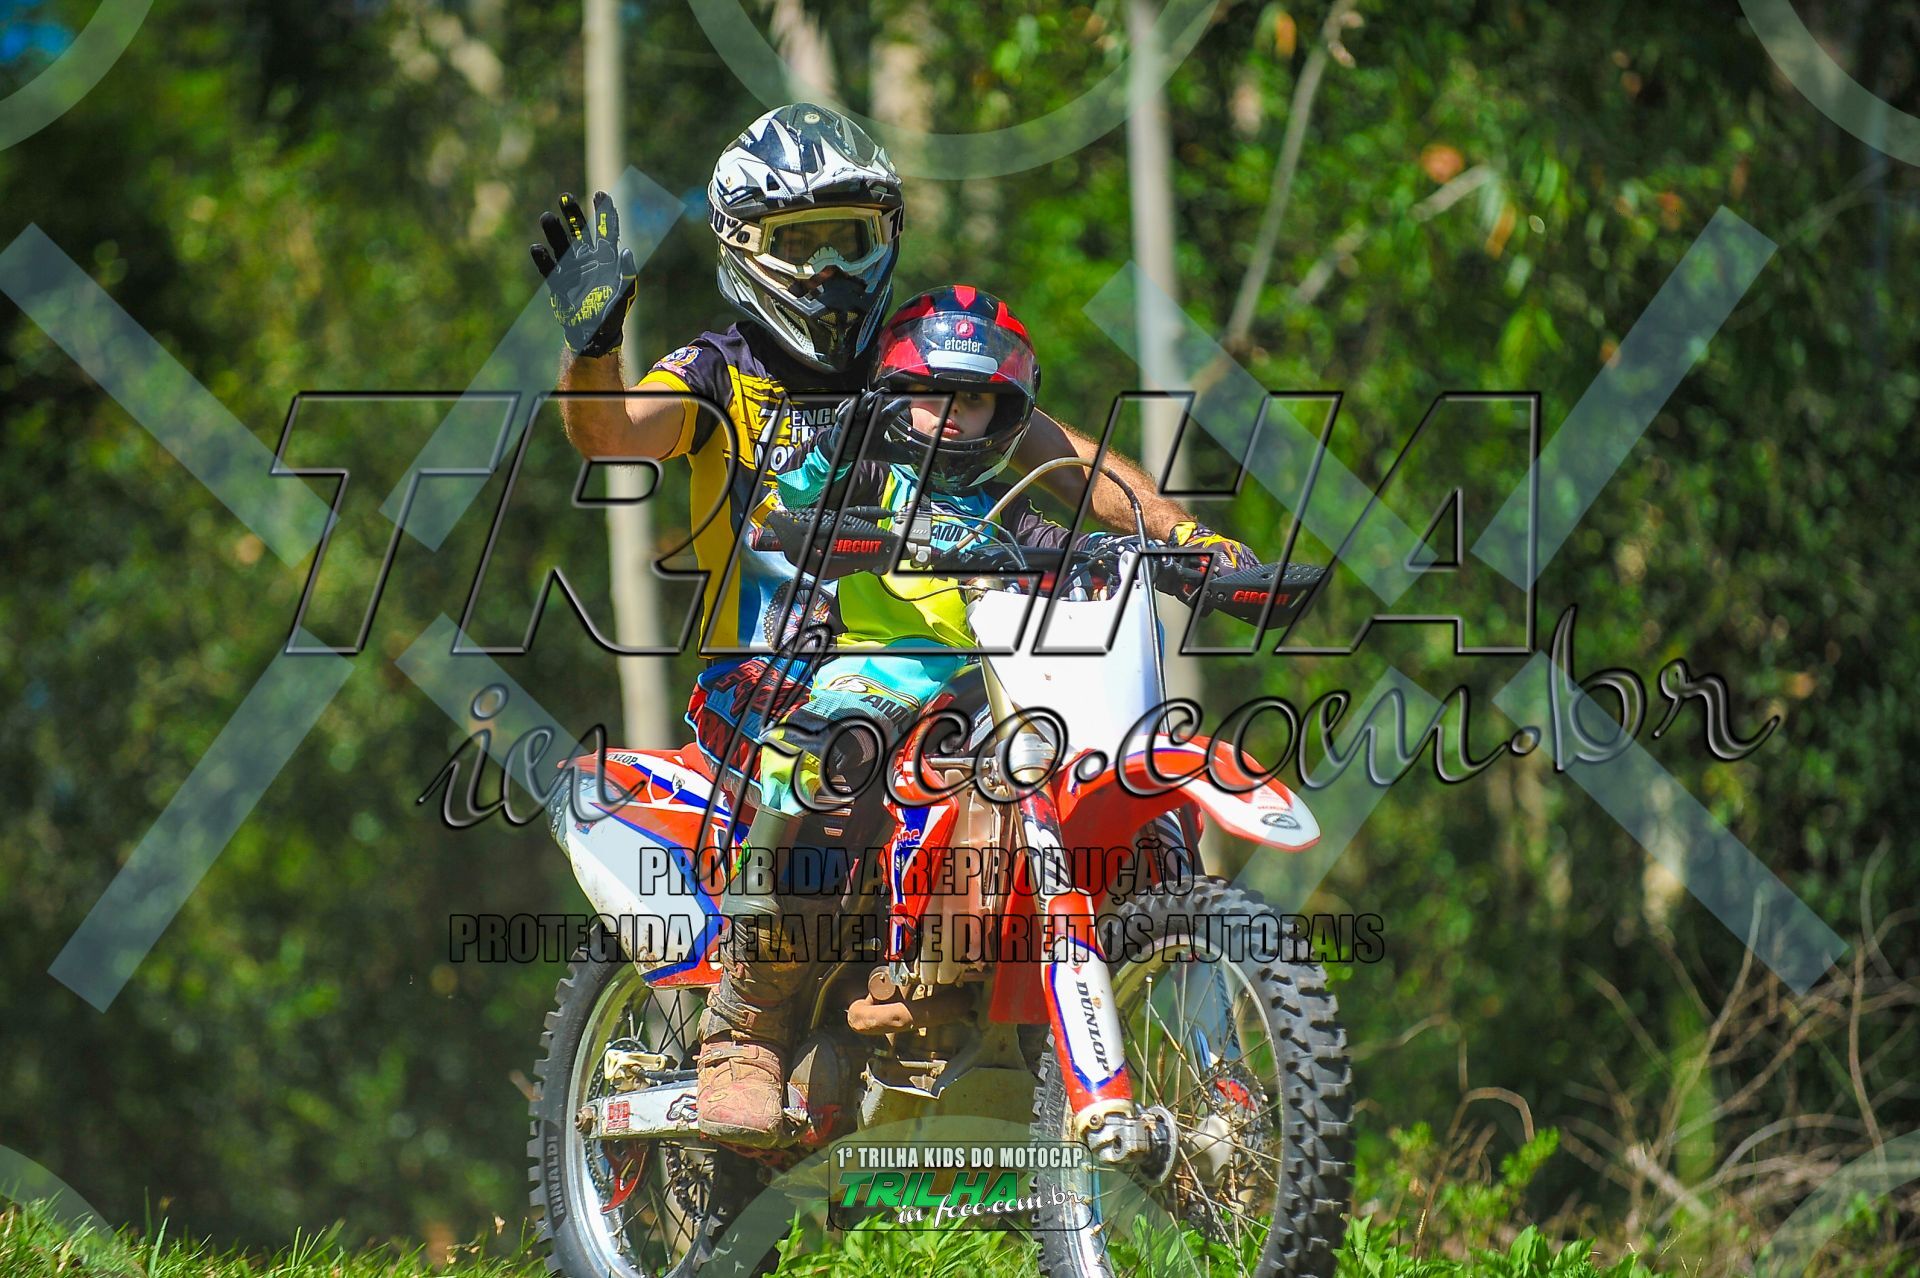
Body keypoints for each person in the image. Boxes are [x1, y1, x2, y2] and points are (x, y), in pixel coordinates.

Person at [530, 103, 1260, 1145]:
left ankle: (1191, 1059)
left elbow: (1073, 466)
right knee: (840, 762)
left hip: (959, 664)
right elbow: (608, 434)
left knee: (1096, 770)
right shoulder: (718, 370)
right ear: (745, 248)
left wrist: (1190, 539)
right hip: (777, 674)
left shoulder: (922, 363)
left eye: (850, 239)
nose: (830, 272)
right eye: (802, 244)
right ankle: (746, 1028)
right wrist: (594, 344)